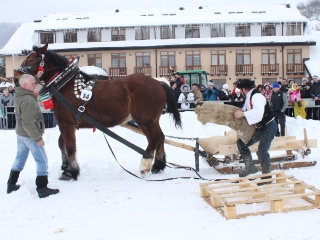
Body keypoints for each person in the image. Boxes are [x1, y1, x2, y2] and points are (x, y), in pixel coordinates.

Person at [6, 74, 59, 198]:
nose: (35, 85)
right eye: (33, 84)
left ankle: (11, 185)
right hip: (29, 135)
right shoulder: (28, 100)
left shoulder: (20, 93)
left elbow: (24, 121)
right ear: (25, 86)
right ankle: (42, 188)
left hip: (21, 134)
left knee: (19, 159)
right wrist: (38, 139)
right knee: (42, 160)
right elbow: (28, 123)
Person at [234, 79, 277, 183]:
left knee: (262, 152)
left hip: (269, 126)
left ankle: (267, 177)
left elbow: (258, 113)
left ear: (244, 89)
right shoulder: (250, 96)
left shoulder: (256, 96)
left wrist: (243, 114)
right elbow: (247, 109)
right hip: (260, 127)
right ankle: (250, 167)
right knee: (241, 143)